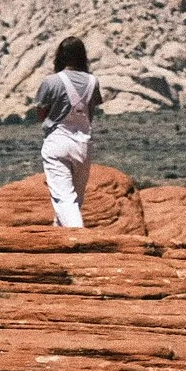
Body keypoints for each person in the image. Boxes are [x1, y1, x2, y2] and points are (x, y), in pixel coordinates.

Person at [28, 37, 105, 228]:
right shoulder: (92, 82)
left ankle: (79, 241)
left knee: (64, 199)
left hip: (58, 141)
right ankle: (61, 243)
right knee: (74, 201)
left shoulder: (51, 82)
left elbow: (41, 113)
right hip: (83, 144)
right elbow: (91, 113)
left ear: (60, 56)